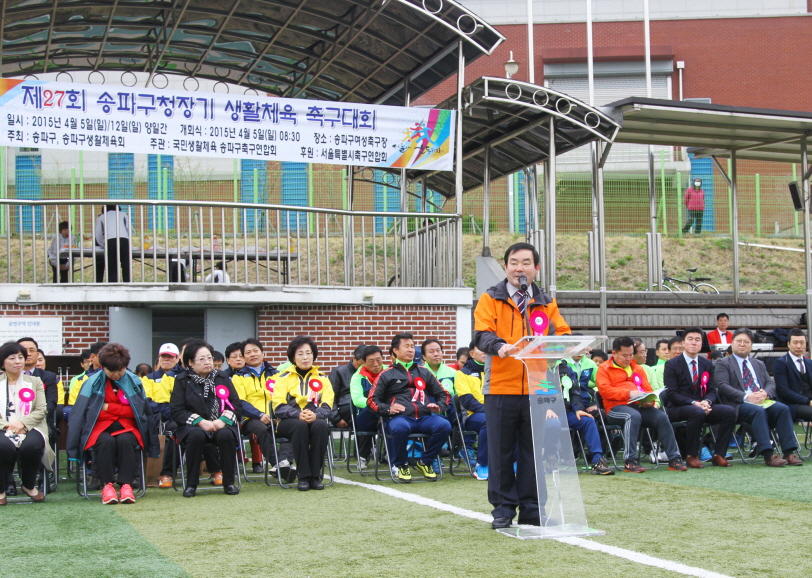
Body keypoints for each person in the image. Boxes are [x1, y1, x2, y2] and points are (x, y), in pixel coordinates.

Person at [473, 242, 571, 529]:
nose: (520, 268)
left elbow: (563, 333)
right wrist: (500, 346)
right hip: (501, 387)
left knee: (533, 451)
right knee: (501, 451)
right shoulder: (491, 298)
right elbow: (481, 334)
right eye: (514, 262)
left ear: (536, 269)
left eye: (526, 263)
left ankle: (533, 510)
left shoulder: (545, 301)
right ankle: (503, 510)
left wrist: (559, 345)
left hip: (538, 387)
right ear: (506, 267)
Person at [66, 343, 157, 504]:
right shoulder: (91, 382)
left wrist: (108, 407)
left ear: (126, 366)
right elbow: (88, 413)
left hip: (127, 427)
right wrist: (121, 408)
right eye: (111, 370)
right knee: (105, 442)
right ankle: (107, 486)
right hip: (99, 428)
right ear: (103, 367)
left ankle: (126, 485)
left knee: (126, 441)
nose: (116, 374)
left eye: (120, 370)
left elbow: (137, 411)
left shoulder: (134, 381)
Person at [596, 336, 687, 473]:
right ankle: (630, 460)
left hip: (638, 406)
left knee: (661, 417)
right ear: (614, 353)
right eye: (624, 355)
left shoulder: (638, 369)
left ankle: (674, 458)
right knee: (632, 416)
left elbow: (647, 389)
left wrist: (649, 400)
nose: (628, 359)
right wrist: (629, 393)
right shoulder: (604, 369)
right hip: (615, 408)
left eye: (631, 355)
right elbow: (605, 392)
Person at [369, 332, 451, 483]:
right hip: (400, 417)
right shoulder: (386, 374)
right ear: (395, 350)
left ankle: (425, 462)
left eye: (412, 346)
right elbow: (372, 400)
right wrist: (388, 409)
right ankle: (401, 465)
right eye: (406, 346)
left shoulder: (424, 371)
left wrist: (438, 406)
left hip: (424, 417)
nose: (410, 350)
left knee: (444, 425)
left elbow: (443, 394)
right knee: (399, 428)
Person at [715, 328, 802, 467]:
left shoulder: (758, 363)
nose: (742, 344)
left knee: (782, 409)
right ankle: (768, 455)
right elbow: (722, 386)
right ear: (732, 343)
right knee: (758, 411)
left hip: (762, 401)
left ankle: (789, 452)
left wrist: (765, 393)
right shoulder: (723, 362)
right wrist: (747, 397)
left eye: (746, 342)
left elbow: (770, 383)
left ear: (751, 345)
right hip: (739, 404)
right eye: (739, 341)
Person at [170, 340, 242, 497]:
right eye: (201, 359)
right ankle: (191, 484)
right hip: (193, 427)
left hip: (220, 424)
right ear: (190, 362)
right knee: (196, 435)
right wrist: (200, 422)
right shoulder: (182, 380)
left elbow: (236, 406)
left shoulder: (222, 377)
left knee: (226, 435)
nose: (207, 362)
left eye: (209, 358)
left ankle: (229, 482)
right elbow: (176, 410)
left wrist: (222, 421)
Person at [663, 326, 736, 468]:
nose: (694, 343)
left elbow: (712, 390)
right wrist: (694, 403)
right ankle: (692, 455)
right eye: (690, 339)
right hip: (678, 408)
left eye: (698, 340)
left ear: (702, 343)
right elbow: (672, 393)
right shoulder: (672, 364)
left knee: (729, 412)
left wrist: (707, 402)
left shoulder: (707, 363)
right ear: (683, 343)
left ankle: (719, 454)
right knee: (697, 412)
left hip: (702, 407)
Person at [272, 336, 334, 491]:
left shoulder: (323, 379)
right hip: (289, 421)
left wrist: (316, 414)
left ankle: (315, 476)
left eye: (308, 353)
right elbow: (278, 406)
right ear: (293, 357)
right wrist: (297, 414)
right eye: (300, 354)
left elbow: (327, 405)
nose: (305, 357)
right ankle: (303, 476)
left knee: (321, 426)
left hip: (315, 417)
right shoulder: (282, 378)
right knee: (299, 426)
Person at [0, 342, 53, 504]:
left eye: (20, 357)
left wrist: (22, 424)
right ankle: (2, 489)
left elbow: (41, 409)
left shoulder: (35, 381)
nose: (18, 361)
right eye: (12, 358)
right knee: (3, 446)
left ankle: (29, 485)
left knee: (32, 445)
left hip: (31, 427)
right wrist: (8, 426)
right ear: (2, 362)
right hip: (3, 428)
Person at [231, 338, 290, 478]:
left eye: (256, 351)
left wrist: (276, 415)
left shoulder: (277, 375)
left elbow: (284, 397)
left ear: (263, 353)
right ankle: (277, 465)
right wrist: (259, 415)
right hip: (251, 419)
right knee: (262, 430)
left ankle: (285, 463)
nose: (253, 354)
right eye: (248, 352)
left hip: (276, 416)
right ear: (244, 357)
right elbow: (240, 401)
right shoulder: (238, 377)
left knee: (293, 427)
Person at [142, 343, 186, 489]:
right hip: (157, 418)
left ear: (177, 358)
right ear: (159, 358)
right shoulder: (148, 378)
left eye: (170, 357)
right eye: (164, 357)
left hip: (177, 417)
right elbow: (147, 402)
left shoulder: (182, 377)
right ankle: (166, 473)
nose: (167, 360)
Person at [454, 344, 489, 480]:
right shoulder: (462, 373)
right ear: (472, 353)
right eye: (481, 349)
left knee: (513, 418)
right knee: (489, 421)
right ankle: (482, 464)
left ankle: (513, 462)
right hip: (472, 416)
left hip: (495, 413)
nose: (485, 352)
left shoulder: (496, 371)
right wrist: (492, 410)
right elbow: (468, 401)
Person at [348, 345, 385, 469]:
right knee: (370, 411)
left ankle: (391, 456)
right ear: (364, 362)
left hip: (387, 414)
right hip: (365, 415)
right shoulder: (357, 377)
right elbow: (358, 400)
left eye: (378, 360)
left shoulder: (390, 372)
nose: (376, 364)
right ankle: (363, 457)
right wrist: (379, 407)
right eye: (371, 361)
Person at [773, 328, 812, 422]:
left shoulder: (810, 363)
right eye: (795, 342)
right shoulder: (780, 363)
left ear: (805, 344)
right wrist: (808, 402)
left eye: (802, 343)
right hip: (792, 405)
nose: (799, 346)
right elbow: (784, 391)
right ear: (788, 344)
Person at [328, 343, 366, 429]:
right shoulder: (338, 372)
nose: (363, 367)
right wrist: (336, 419)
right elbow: (329, 398)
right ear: (354, 359)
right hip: (345, 408)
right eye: (361, 363)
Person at [94, 205, 131, 283]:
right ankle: (128, 283)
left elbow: (98, 234)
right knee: (126, 264)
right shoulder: (123, 214)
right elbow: (128, 228)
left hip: (109, 241)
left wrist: (103, 245)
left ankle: (113, 284)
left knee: (112, 266)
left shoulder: (101, 217)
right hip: (124, 239)